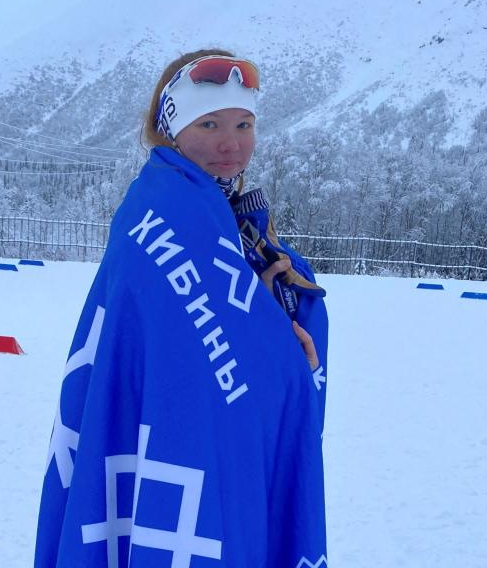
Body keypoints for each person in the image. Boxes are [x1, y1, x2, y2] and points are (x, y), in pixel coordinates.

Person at [35, 49, 329, 568]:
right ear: (172, 129)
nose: (230, 143)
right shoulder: (166, 209)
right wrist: (276, 346)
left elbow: (226, 310)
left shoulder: (213, 206)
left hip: (205, 427)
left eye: (244, 124)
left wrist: (278, 301)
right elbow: (189, 332)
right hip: (181, 429)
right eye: (210, 123)